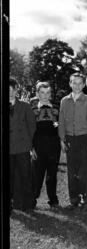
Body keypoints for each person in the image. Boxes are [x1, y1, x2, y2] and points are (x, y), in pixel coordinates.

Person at [58, 73, 87, 210]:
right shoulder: (64, 101)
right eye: (74, 83)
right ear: (70, 84)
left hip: (84, 138)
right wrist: (62, 139)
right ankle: (73, 199)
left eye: (80, 83)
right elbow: (61, 122)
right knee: (71, 171)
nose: (77, 86)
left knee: (83, 170)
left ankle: (84, 198)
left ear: (84, 85)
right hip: (69, 139)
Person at [31, 81, 61, 209]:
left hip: (54, 144)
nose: (45, 95)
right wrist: (31, 148)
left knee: (52, 175)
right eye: (42, 93)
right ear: (37, 94)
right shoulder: (32, 110)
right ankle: (32, 199)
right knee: (37, 174)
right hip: (38, 144)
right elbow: (30, 130)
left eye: (48, 92)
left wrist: (61, 139)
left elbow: (59, 126)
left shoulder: (57, 109)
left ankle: (53, 201)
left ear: (50, 94)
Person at [9, 78, 36, 212]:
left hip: (22, 147)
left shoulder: (25, 106)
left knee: (25, 175)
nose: (9, 93)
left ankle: (27, 203)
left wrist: (28, 143)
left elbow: (32, 126)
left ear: (16, 90)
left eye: (12, 90)